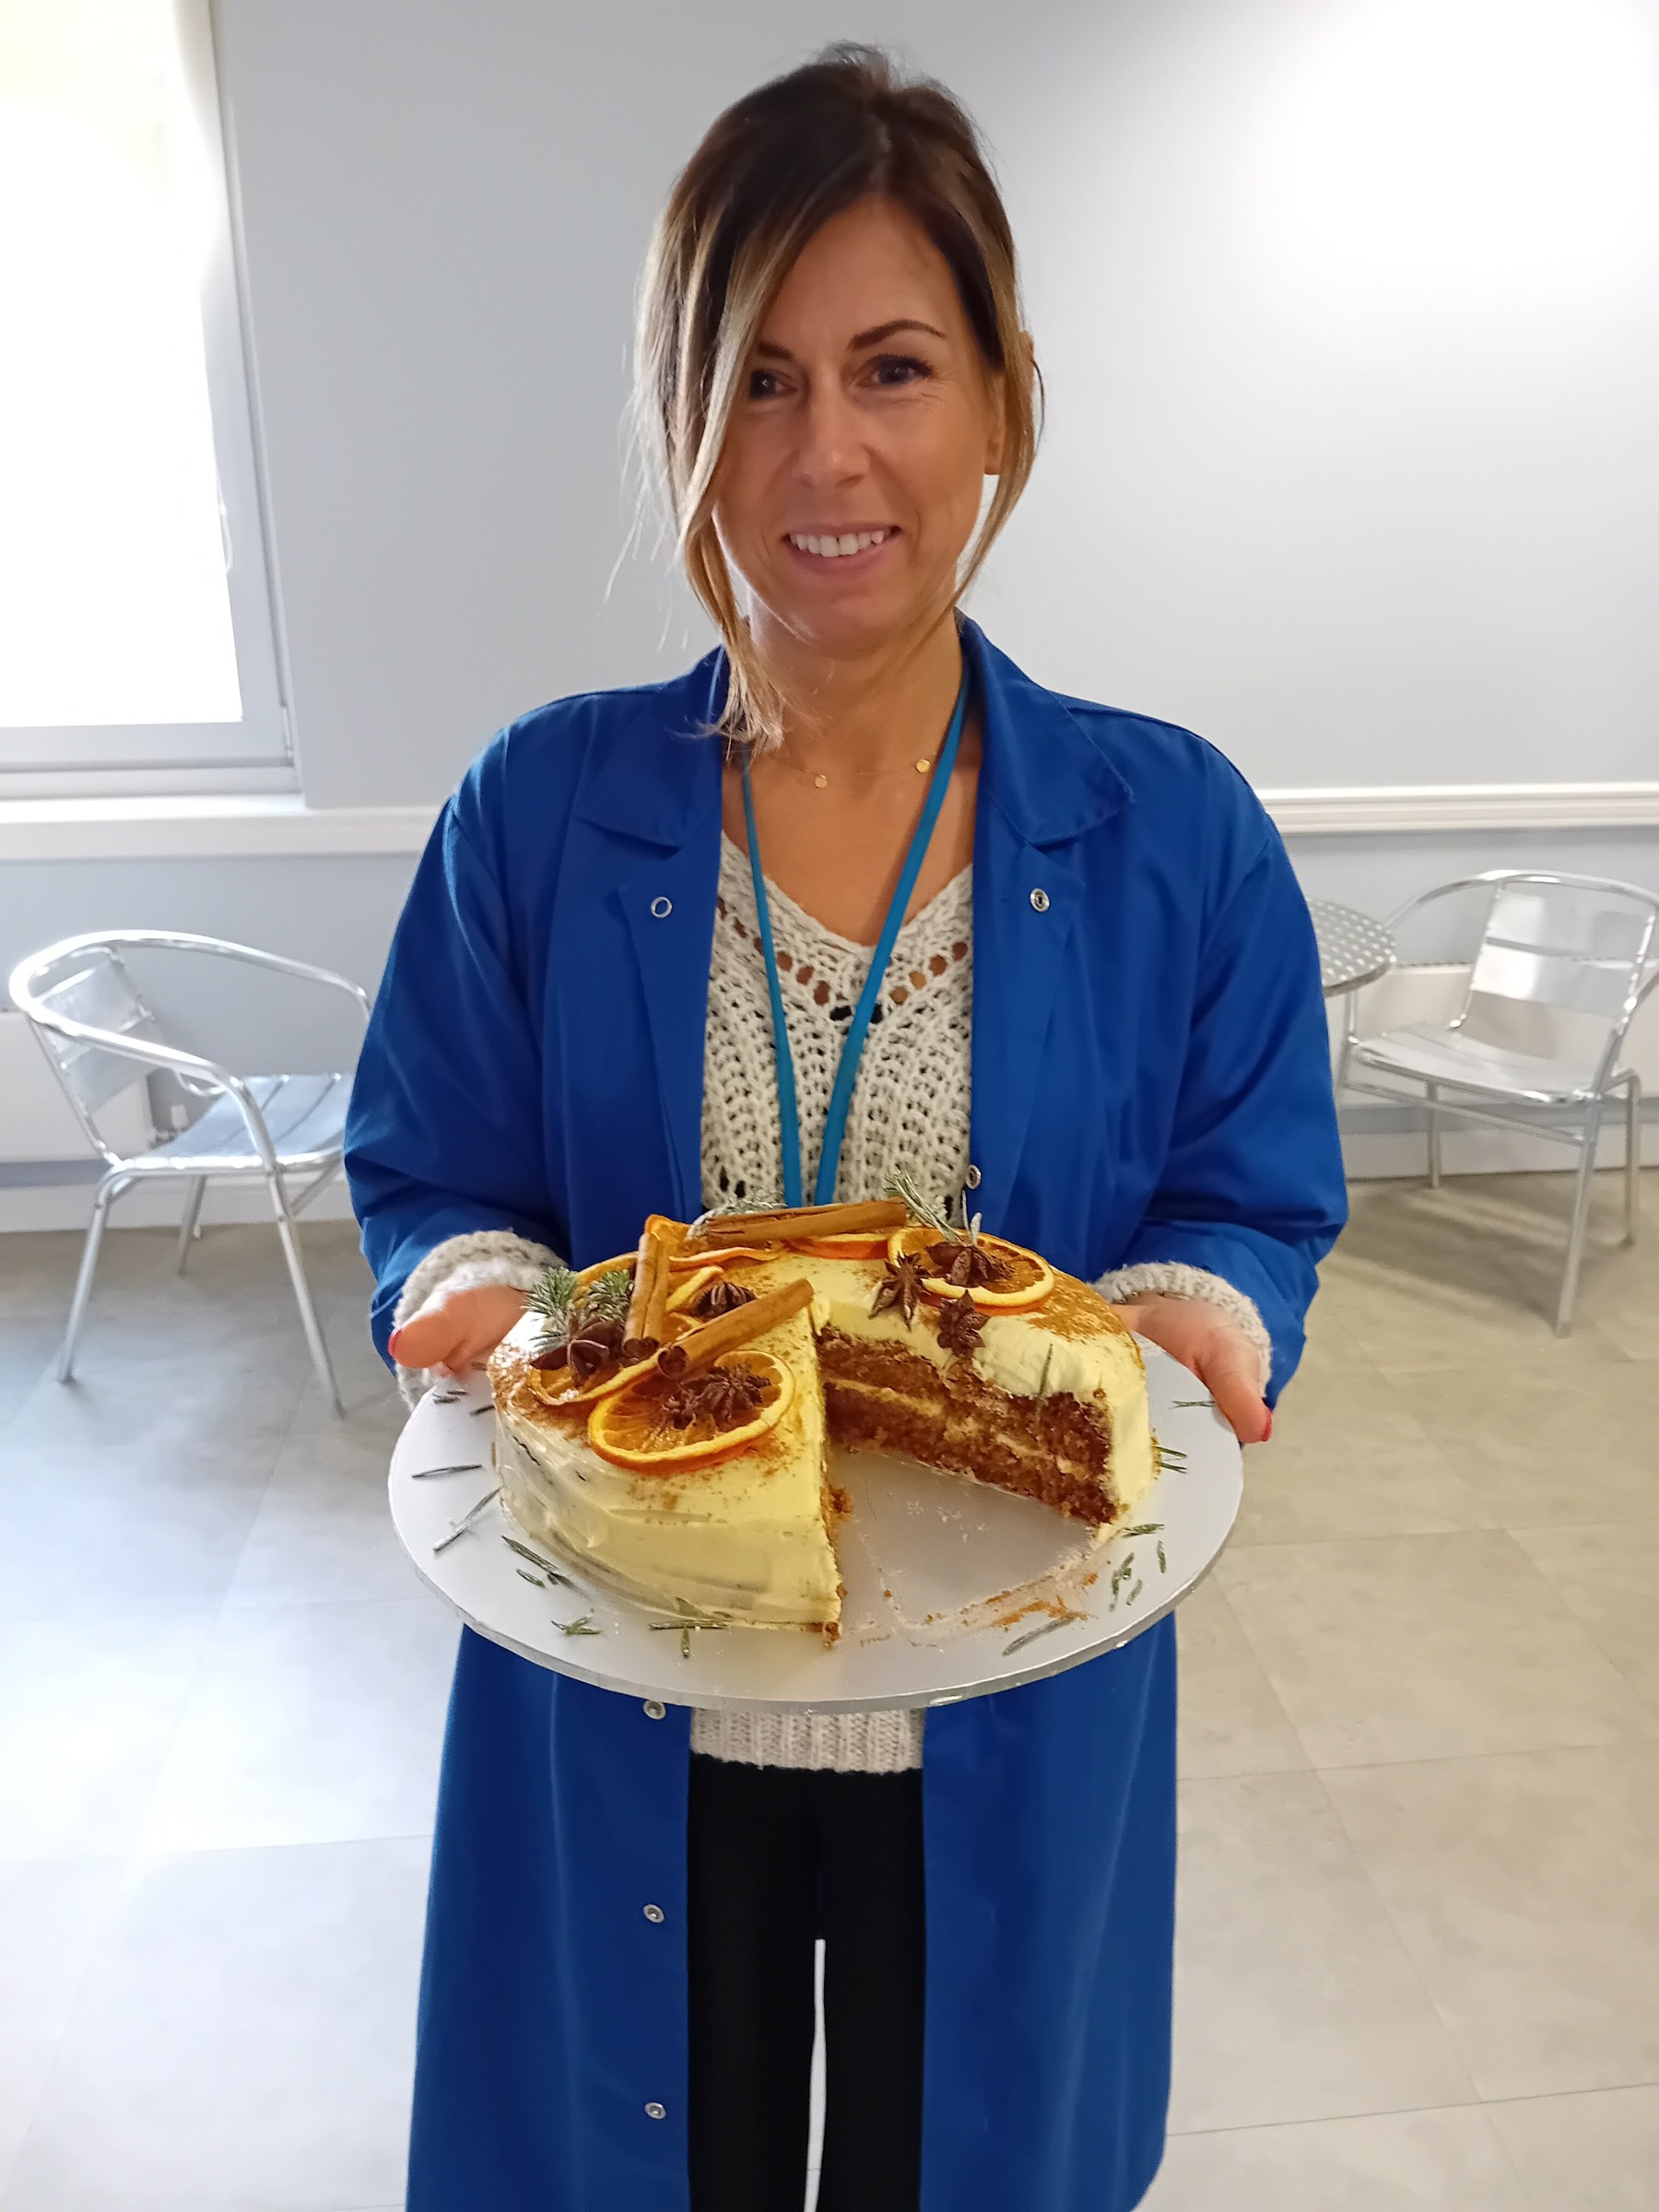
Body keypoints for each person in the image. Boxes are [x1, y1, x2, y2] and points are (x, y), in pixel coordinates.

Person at [345, 41, 1347, 2212]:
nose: (828, 454)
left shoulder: (1174, 828)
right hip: (630, 1683)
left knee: (954, 2157)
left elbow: (1246, 1182)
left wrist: (1198, 1308)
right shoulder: (538, 810)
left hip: (1007, 1691)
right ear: (682, 416)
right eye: (760, 381)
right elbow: (438, 1166)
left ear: (1000, 401)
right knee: (639, 2153)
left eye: (893, 368)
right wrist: (478, 1290)